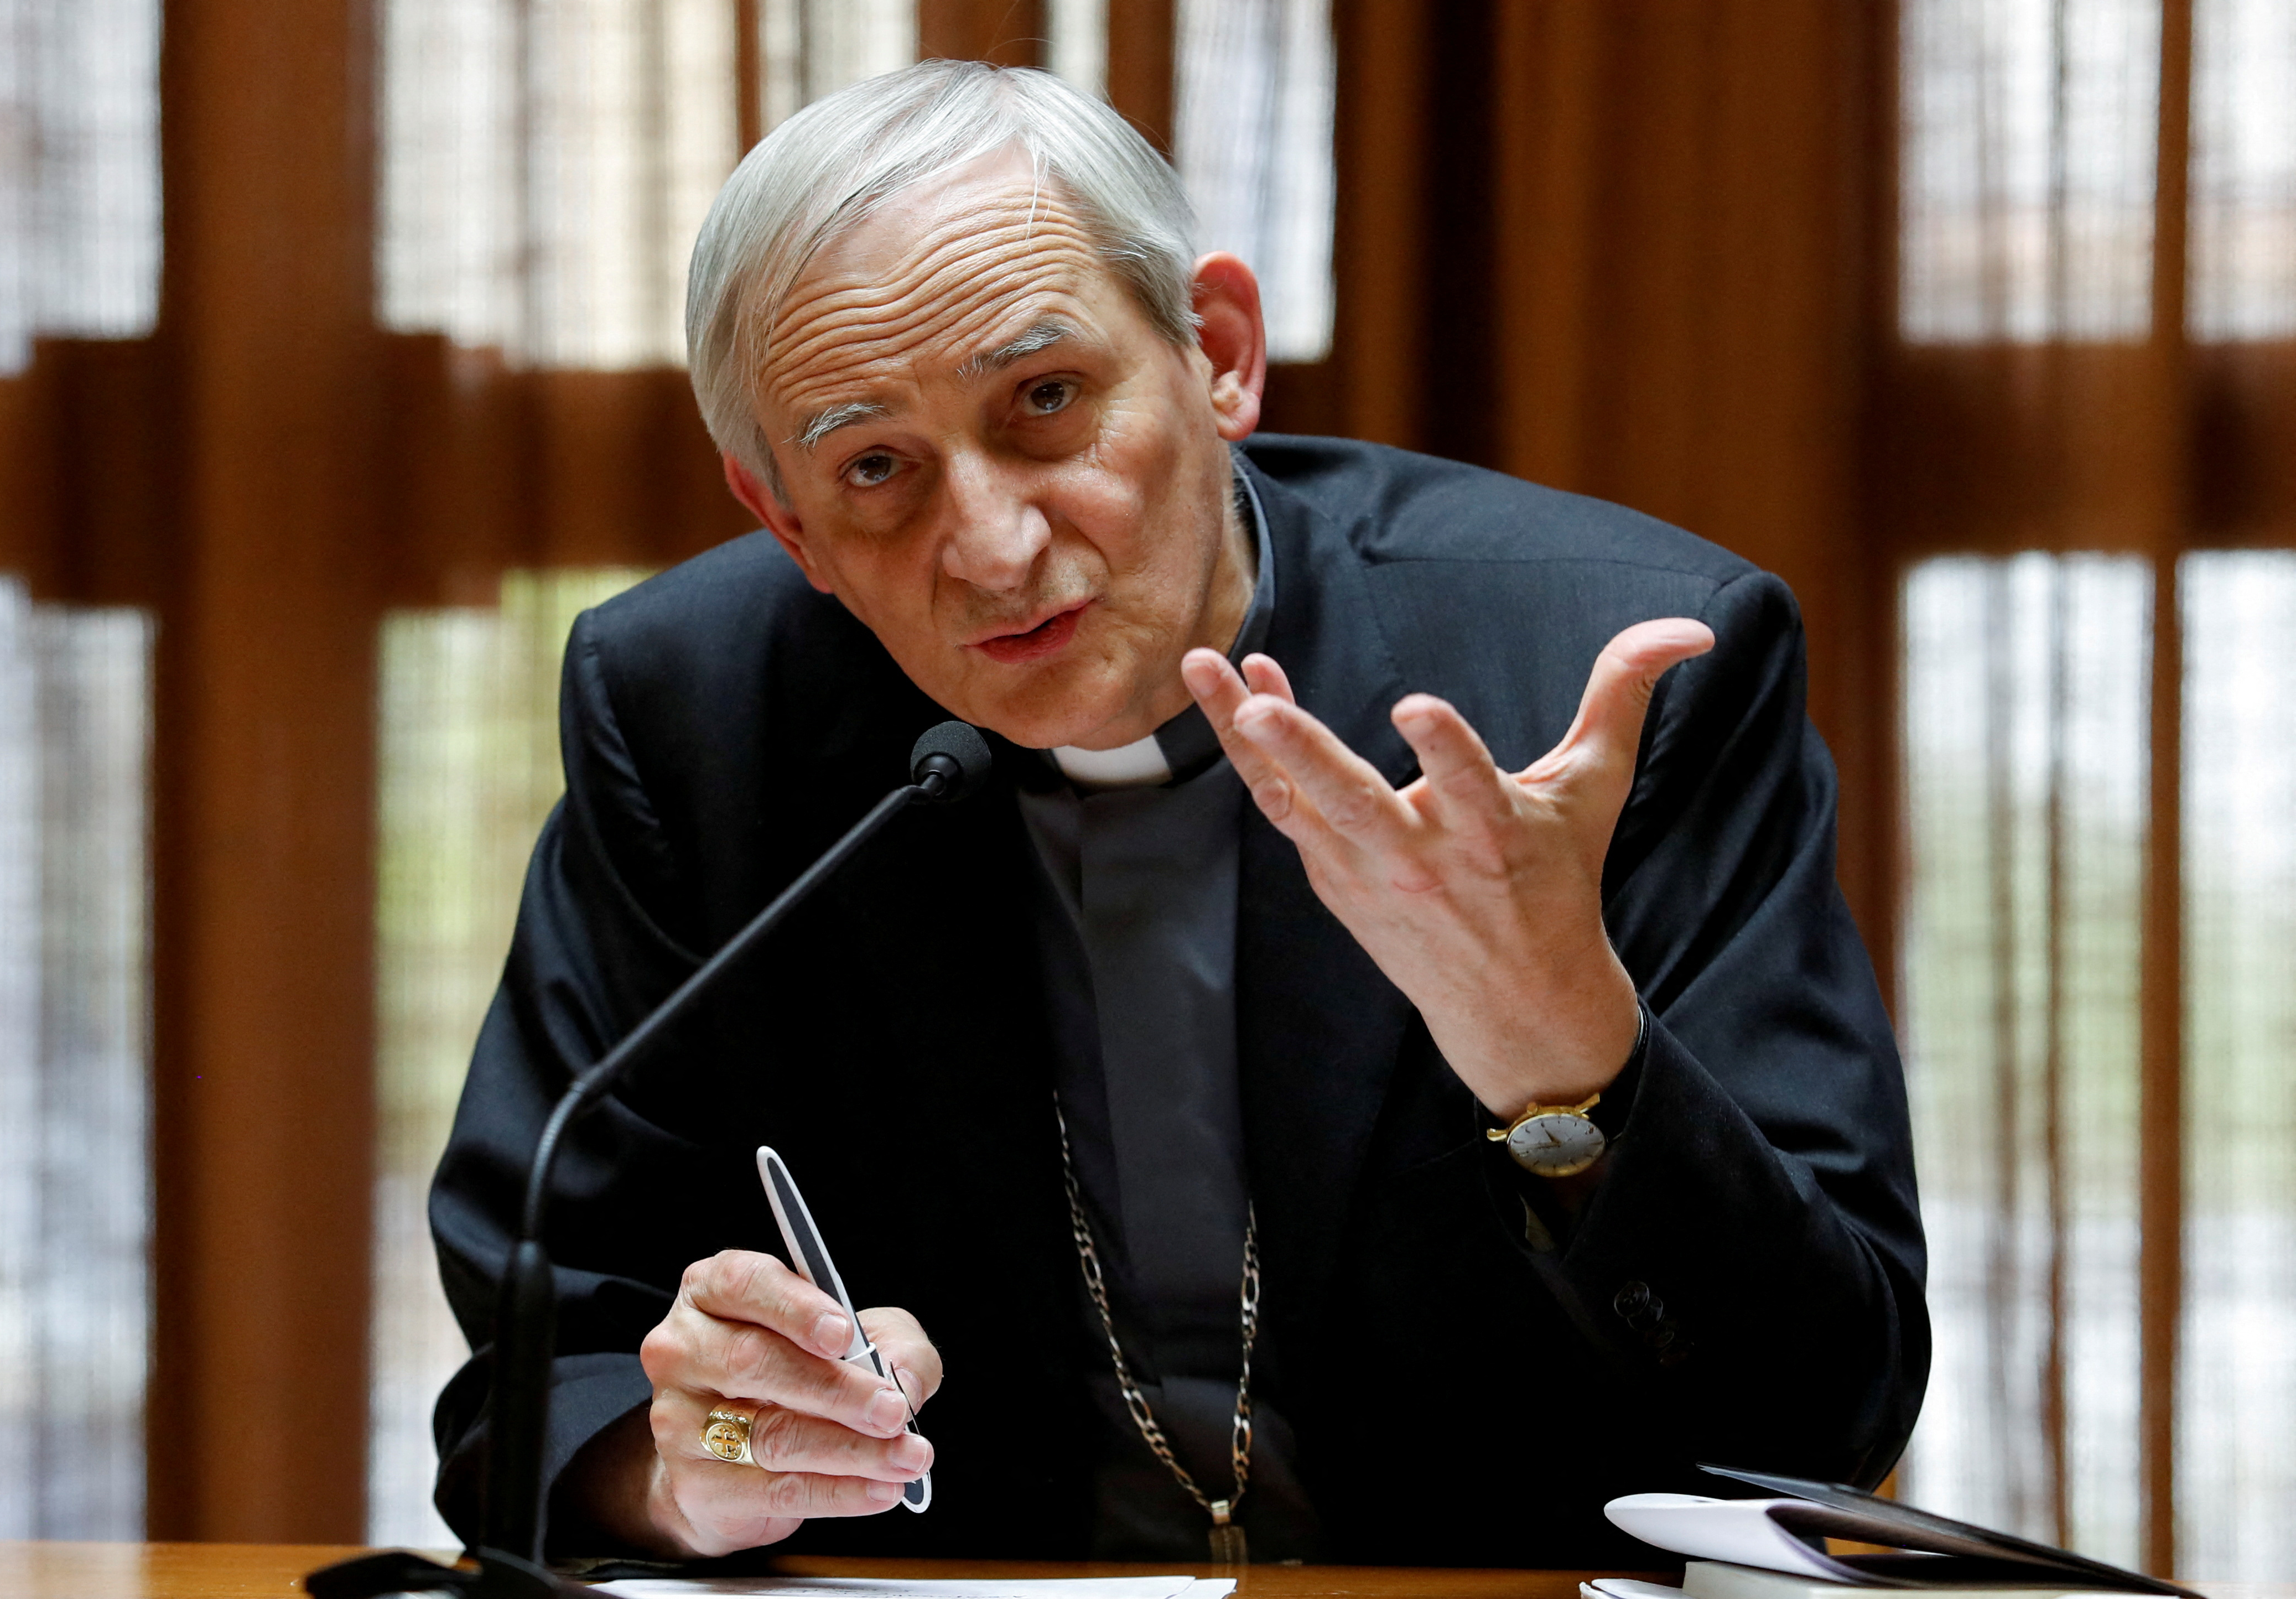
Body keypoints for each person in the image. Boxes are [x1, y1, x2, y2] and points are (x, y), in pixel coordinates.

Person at [429, 59, 1927, 1569]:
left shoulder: (1601, 685)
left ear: (1216, 353)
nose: (995, 546)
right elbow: (533, 1386)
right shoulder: (696, 716)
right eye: (875, 467)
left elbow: (1825, 1416)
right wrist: (701, 1461)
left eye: (1047, 402)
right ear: (787, 523)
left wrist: (1563, 1055)